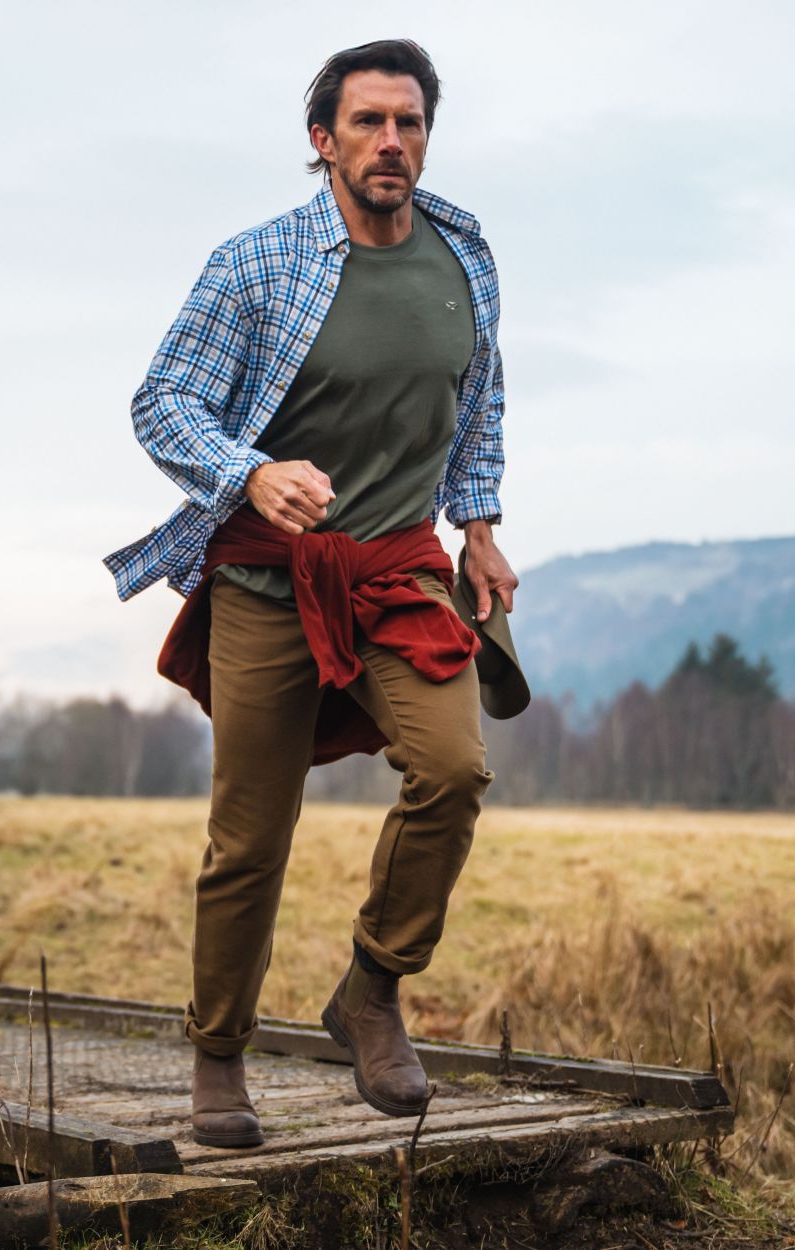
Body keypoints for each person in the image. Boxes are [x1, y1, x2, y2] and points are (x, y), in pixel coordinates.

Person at [103, 39, 519, 1148]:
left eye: (410, 123)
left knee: (454, 768)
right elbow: (163, 401)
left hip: (398, 570)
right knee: (250, 837)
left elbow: (476, 403)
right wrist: (251, 468)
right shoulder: (256, 263)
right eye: (369, 122)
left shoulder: (463, 253)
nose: (393, 143)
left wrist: (479, 526)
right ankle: (217, 1059)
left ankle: (370, 986)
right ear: (321, 139)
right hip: (264, 581)